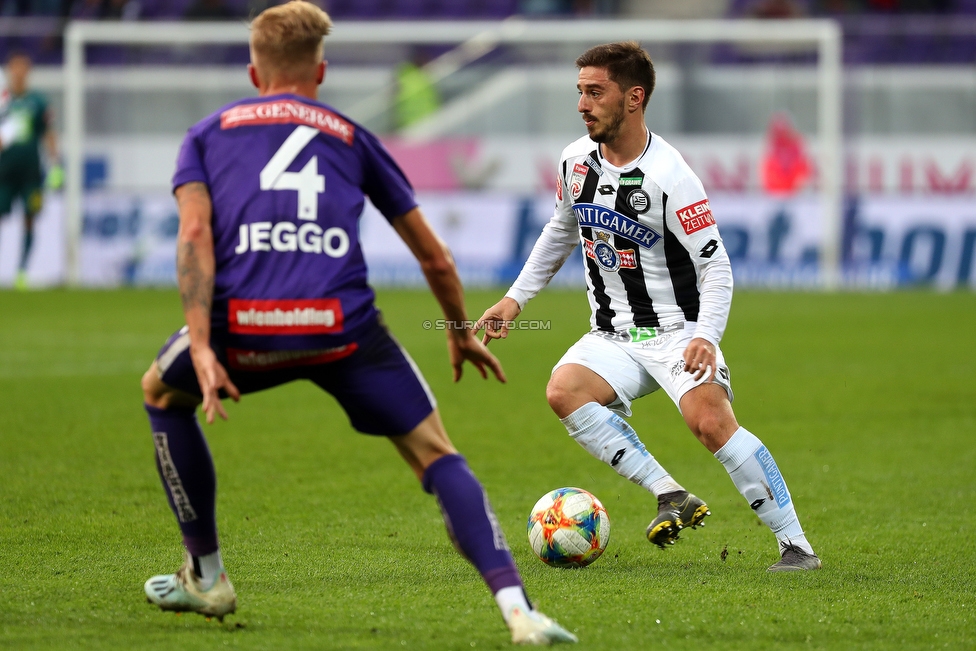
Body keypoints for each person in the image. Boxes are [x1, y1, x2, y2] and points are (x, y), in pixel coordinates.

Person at [139, 2, 576, 645]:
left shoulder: (207, 133)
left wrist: (202, 348)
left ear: (254, 72)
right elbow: (435, 255)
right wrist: (459, 333)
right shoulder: (349, 136)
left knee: (158, 390)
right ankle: (519, 611)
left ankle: (206, 574)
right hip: (343, 330)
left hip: (246, 328)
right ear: (321, 70)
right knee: (437, 454)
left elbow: (196, 234)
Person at [478, 41, 820, 572]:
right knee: (564, 390)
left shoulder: (670, 176)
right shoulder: (575, 162)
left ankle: (795, 545)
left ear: (633, 98)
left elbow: (716, 264)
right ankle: (669, 493)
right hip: (613, 334)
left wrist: (707, 334)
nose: (582, 104)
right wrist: (513, 299)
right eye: (580, 92)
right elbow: (560, 230)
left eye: (595, 92)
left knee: (709, 423)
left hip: (678, 332)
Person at [0, 52, 60, 291]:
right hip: (3, 172)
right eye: (14, 68)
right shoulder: (3, 101)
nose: (18, 73)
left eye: (22, 68)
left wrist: (56, 165)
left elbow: (48, 133)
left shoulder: (38, 101)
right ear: (9, 71)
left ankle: (22, 272)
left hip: (31, 173)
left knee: (29, 219)